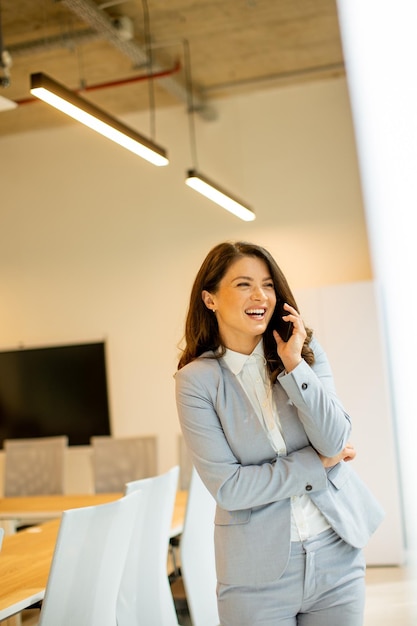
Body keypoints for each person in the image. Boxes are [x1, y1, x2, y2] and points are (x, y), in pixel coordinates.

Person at [175, 240, 384, 626]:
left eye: (268, 284)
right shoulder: (196, 382)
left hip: (336, 554)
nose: (260, 296)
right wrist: (318, 464)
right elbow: (230, 489)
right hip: (254, 575)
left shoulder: (303, 349)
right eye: (243, 284)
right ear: (210, 299)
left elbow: (335, 440)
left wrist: (293, 366)